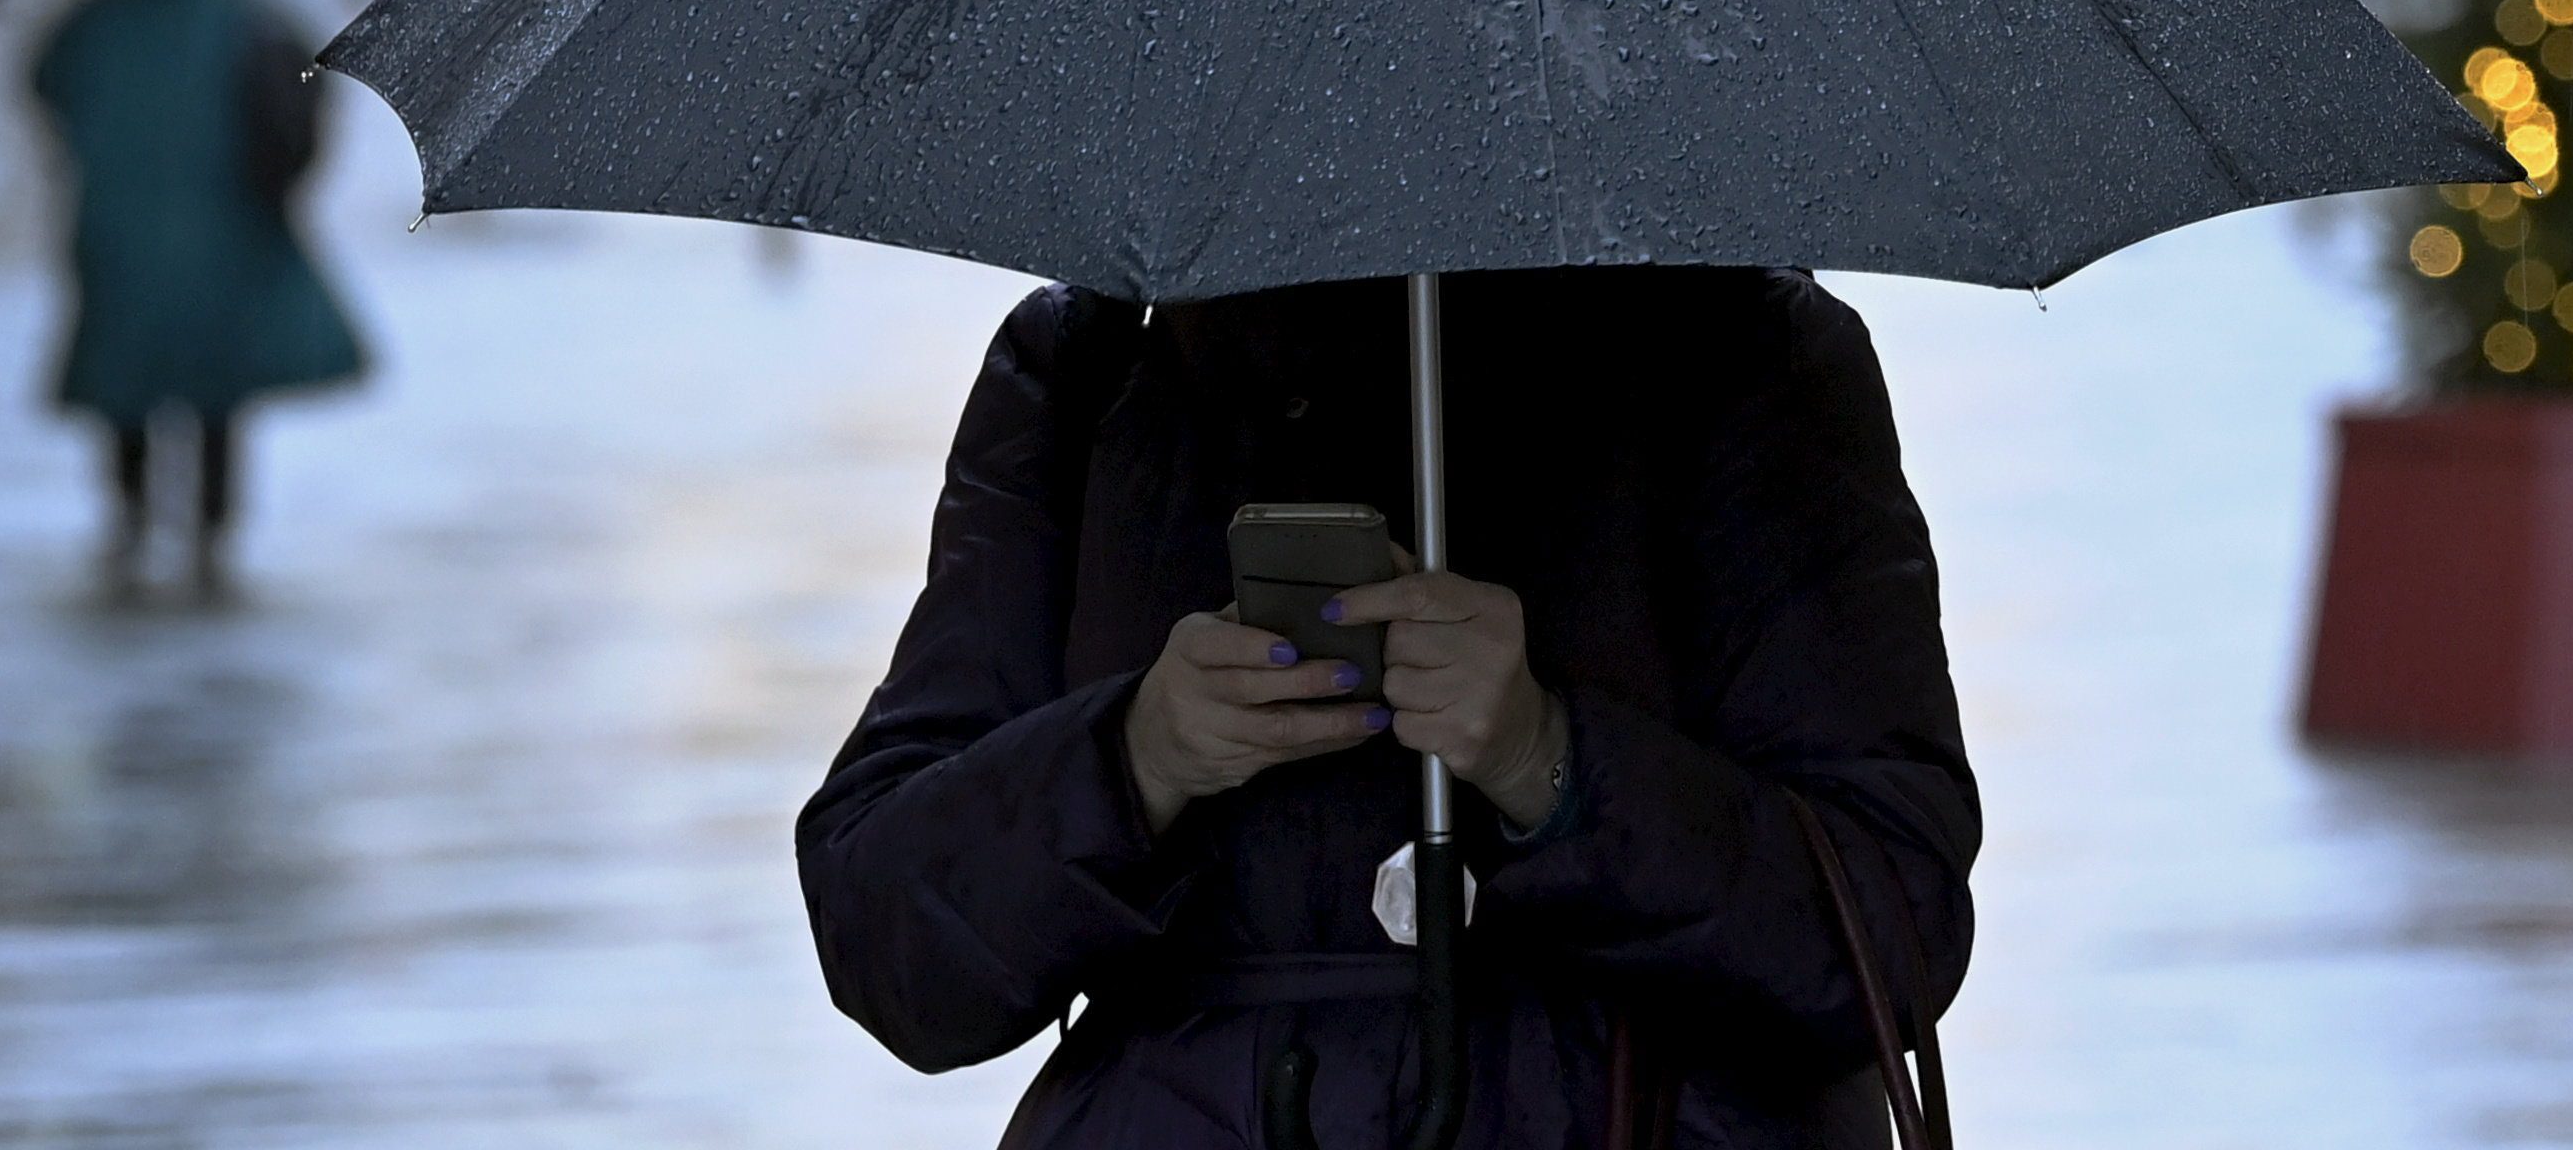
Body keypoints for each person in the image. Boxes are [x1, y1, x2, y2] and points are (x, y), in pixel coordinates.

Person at [802, 268, 1974, 1147]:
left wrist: (1550, 762)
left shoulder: (1742, 349)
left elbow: (1888, 932)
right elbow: (886, 939)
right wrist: (1131, 758)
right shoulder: (1089, 372)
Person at [27, 0, 368, 597]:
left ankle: (130, 521)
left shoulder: (90, 21)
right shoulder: (243, 11)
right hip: (226, 230)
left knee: (126, 384)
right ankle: (212, 537)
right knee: (218, 389)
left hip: (116, 232)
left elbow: (40, 84)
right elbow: (305, 94)